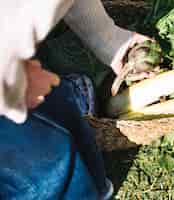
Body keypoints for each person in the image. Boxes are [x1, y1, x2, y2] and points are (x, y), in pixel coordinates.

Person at [0, 0, 150, 199]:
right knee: (45, 170)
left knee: (65, 112)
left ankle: (97, 188)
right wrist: (16, 87)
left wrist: (110, 40)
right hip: (7, 91)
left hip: (17, 66)